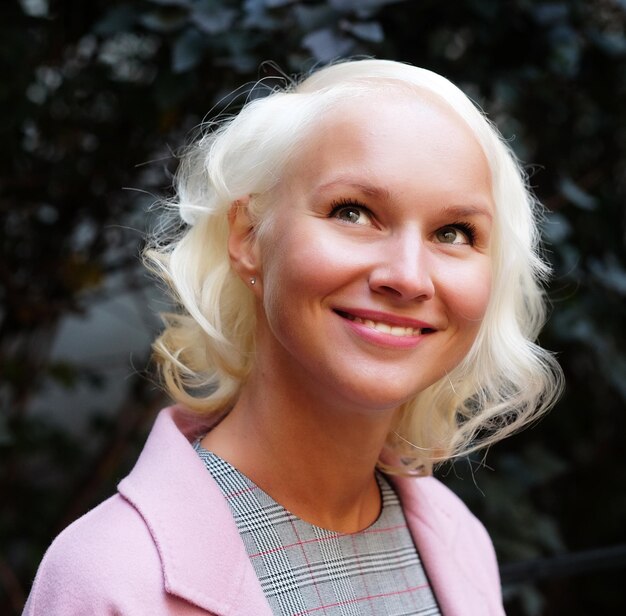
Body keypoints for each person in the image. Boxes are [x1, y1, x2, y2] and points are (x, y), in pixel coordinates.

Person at [23, 59, 563, 615]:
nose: (406, 275)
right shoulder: (113, 575)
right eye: (353, 212)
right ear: (249, 235)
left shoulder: (459, 540)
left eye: (453, 233)